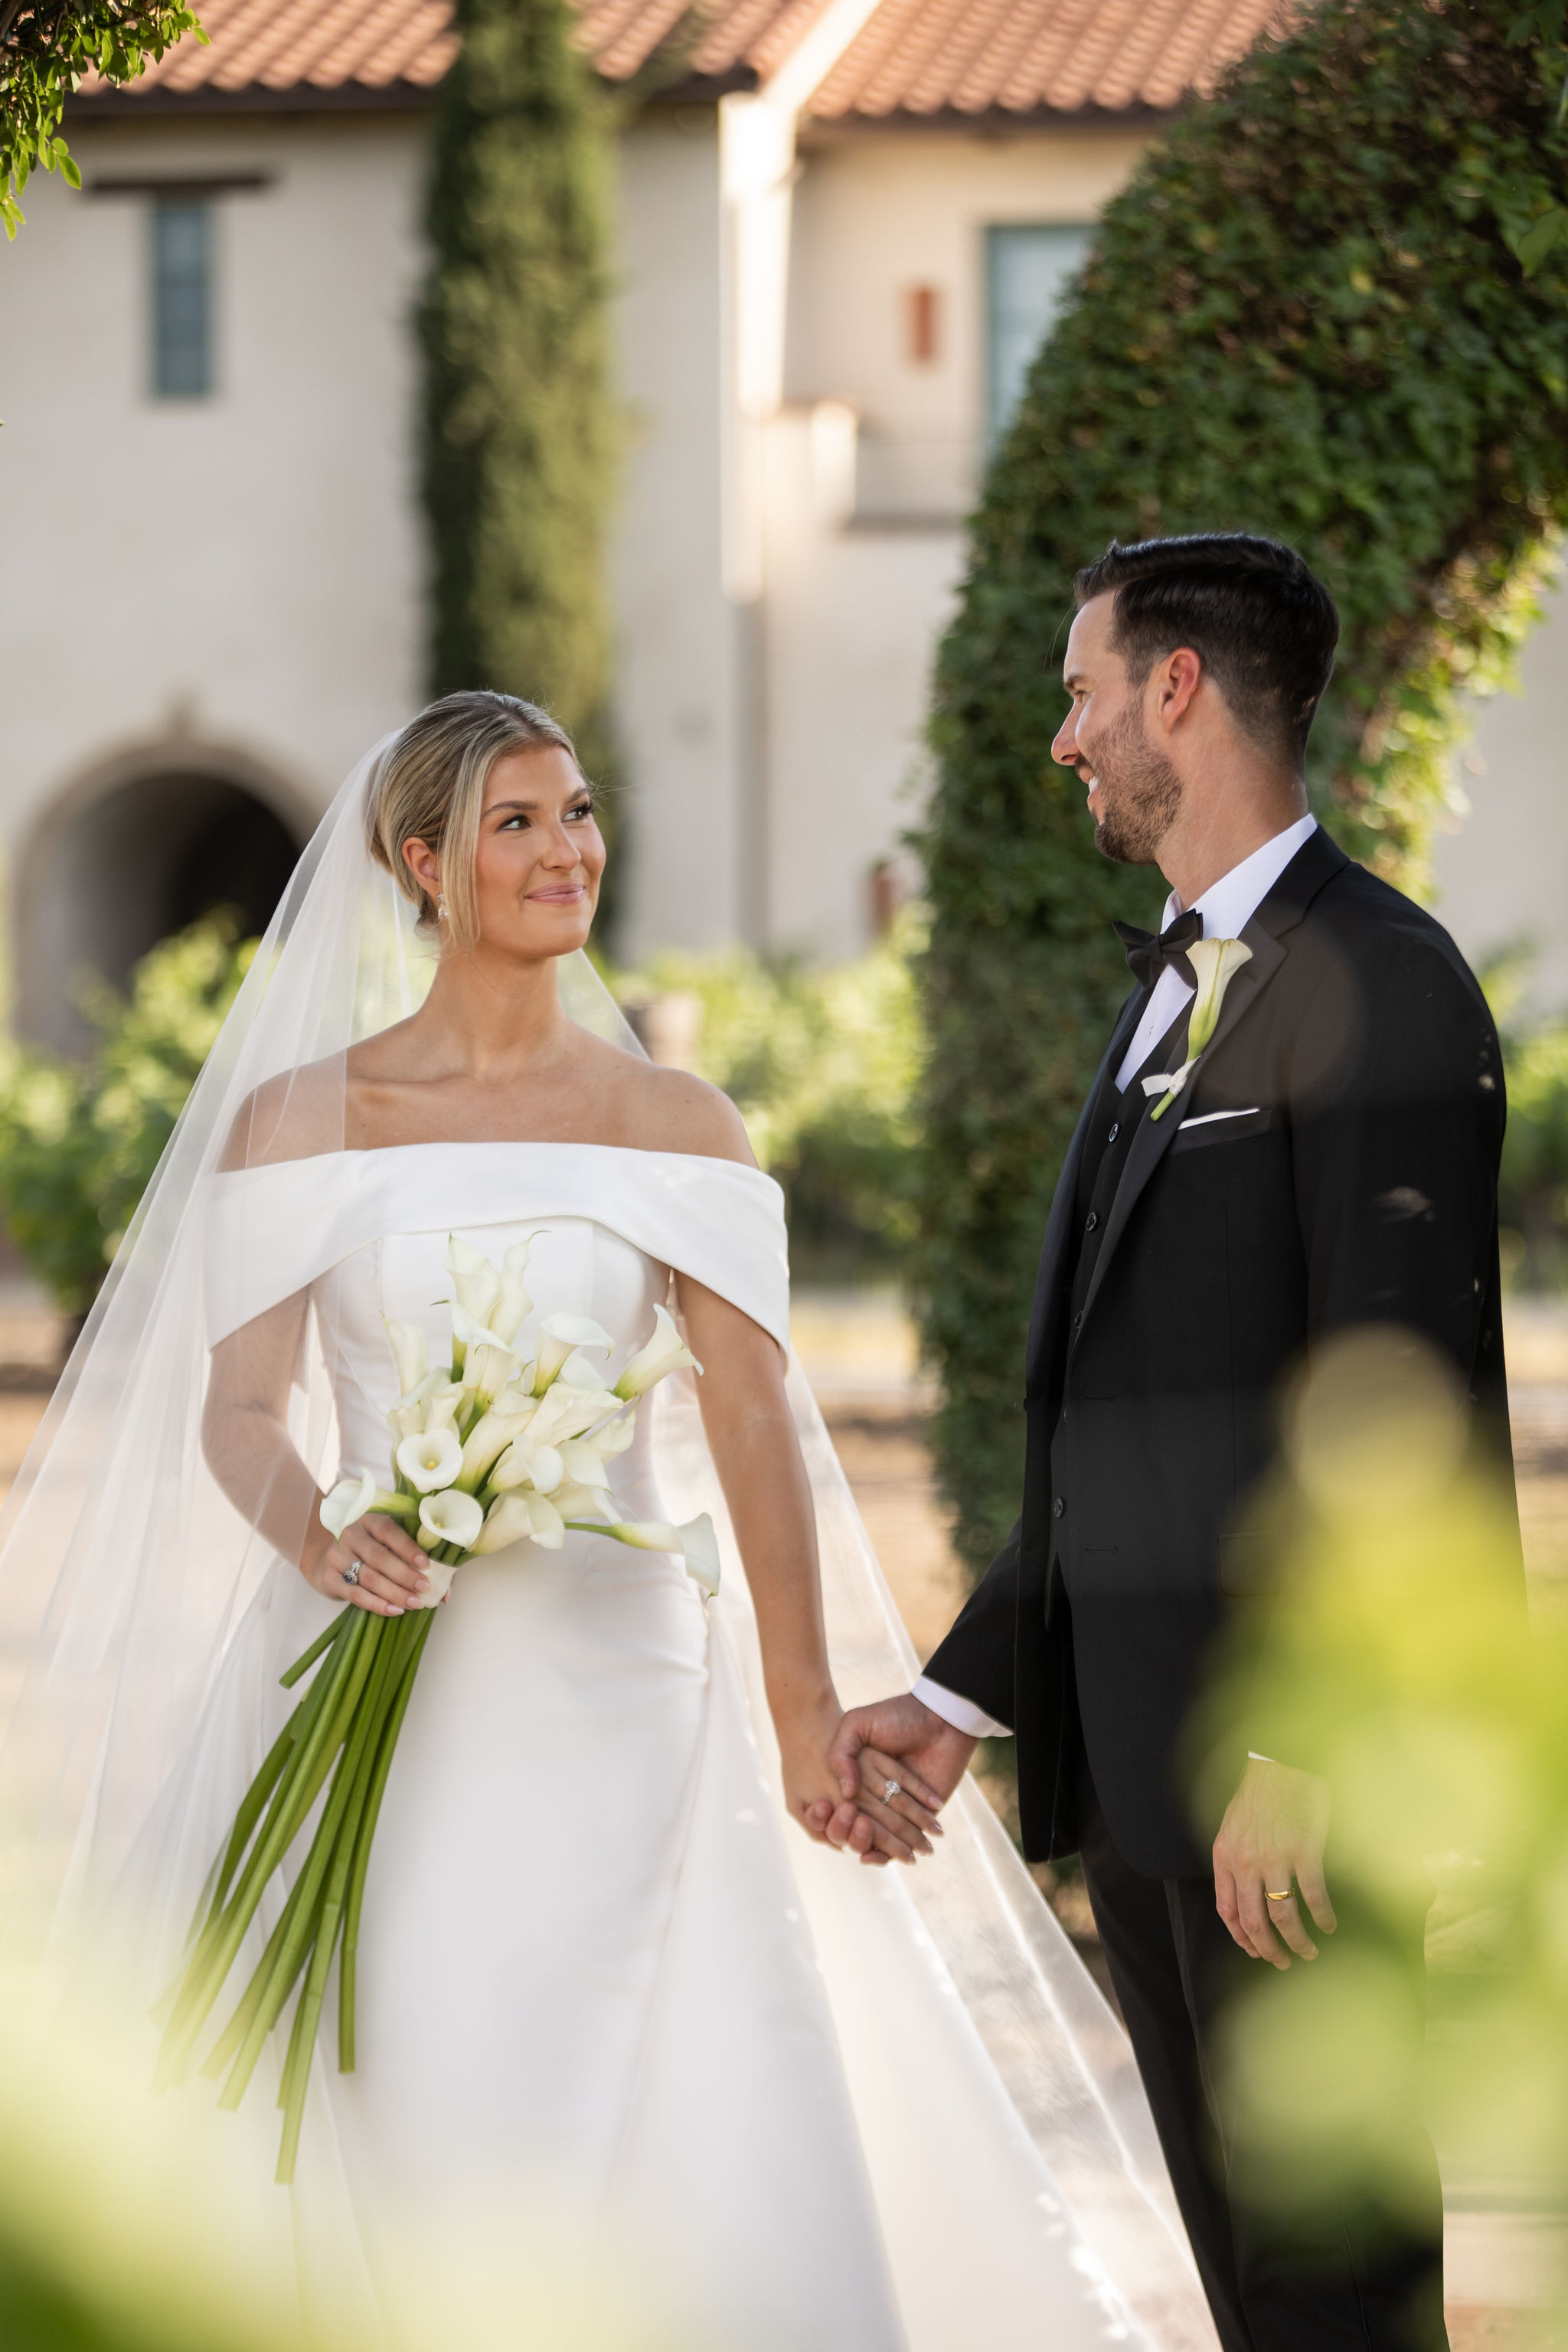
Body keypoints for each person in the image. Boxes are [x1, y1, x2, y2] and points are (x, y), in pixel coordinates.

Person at [0, 691, 1217, 2350]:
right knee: (392, 2069)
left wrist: (801, 1710)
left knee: (641, 2090)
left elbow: (757, 1437)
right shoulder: (302, 1121)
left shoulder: (679, 1128)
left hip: (624, 1687)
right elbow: (236, 1412)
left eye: (577, 812)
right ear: (421, 864)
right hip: (373, 1669)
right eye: (515, 821)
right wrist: (312, 1532)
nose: (566, 847)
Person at [825, 534, 1520, 2352]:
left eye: (1080, 692)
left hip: (1289, 1787)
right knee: (1251, 2291)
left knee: (1342, 2293)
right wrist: (962, 1690)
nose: (1066, 741)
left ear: (1175, 691)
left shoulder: (1388, 980)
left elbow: (1402, 1393)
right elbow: (1124, 1422)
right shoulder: (1166, 992)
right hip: (1152, 1793)